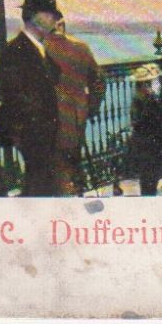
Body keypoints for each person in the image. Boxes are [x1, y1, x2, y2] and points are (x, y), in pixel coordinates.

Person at [0, 0, 66, 196]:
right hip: (33, 137)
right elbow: (16, 97)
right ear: (36, 16)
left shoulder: (39, 49)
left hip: (45, 136)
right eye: (51, 14)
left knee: (43, 188)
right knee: (39, 190)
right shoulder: (16, 50)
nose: (55, 20)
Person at [47, 11, 106, 195]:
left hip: (48, 121)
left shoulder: (39, 49)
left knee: (53, 172)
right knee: (73, 163)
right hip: (76, 117)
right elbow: (99, 81)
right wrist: (90, 108)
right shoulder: (80, 48)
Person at [125, 64, 162, 196]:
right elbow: (138, 123)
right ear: (144, 85)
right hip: (146, 144)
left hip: (154, 143)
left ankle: (150, 198)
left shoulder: (149, 100)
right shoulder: (140, 102)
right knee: (148, 179)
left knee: (152, 178)